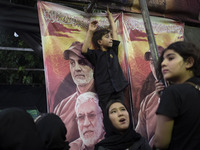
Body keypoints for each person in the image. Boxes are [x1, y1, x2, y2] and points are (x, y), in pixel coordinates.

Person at [153, 41, 200, 150]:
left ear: (189, 62)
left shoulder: (172, 92)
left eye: (170, 58)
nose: (163, 63)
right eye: (163, 59)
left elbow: (160, 143)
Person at [81, 8, 128, 115]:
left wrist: (111, 18)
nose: (111, 39)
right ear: (99, 42)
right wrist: (91, 31)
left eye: (111, 37)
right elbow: (84, 50)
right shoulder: (95, 55)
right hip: (104, 92)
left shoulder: (113, 50)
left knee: (122, 113)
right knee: (108, 115)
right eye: (107, 37)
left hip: (118, 89)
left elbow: (114, 31)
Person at [54, 41, 95, 142]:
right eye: (72, 63)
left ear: (93, 66)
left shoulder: (105, 99)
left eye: (82, 62)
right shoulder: (61, 107)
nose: (76, 68)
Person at [136, 46, 165, 147]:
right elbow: (139, 137)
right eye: (152, 63)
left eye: (159, 61)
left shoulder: (187, 93)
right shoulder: (148, 101)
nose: (156, 67)